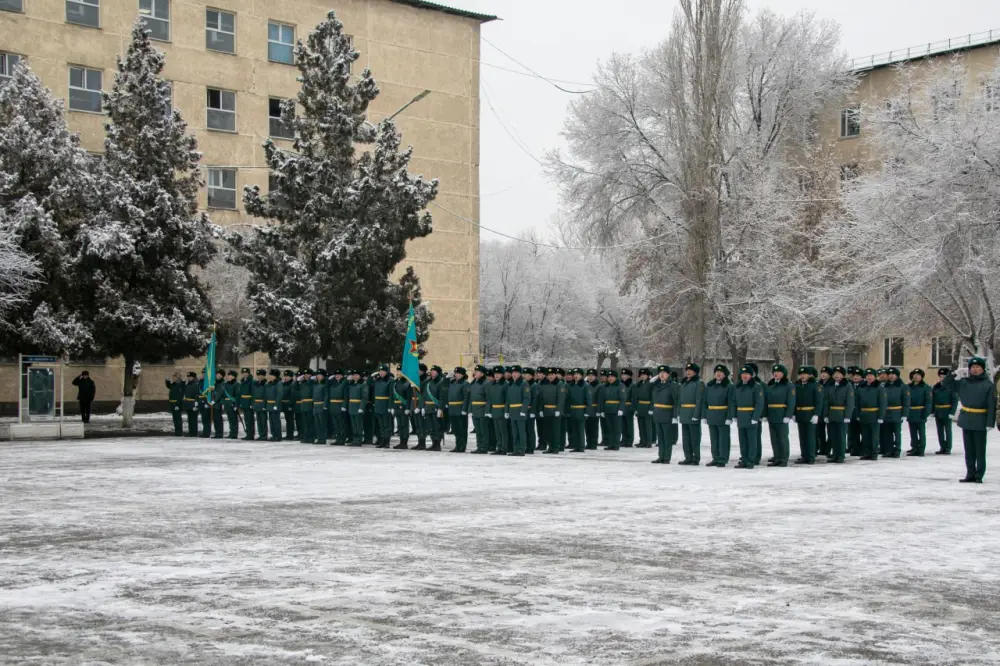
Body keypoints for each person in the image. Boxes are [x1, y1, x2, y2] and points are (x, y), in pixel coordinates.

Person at [943, 357, 997, 483]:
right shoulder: (963, 382)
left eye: (978, 367)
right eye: (973, 367)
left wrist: (990, 423)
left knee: (979, 450)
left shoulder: (988, 385)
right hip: (967, 419)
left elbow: (992, 405)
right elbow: (946, 384)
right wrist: (952, 373)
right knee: (969, 451)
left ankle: (979, 475)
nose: (975, 369)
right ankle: (970, 474)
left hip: (980, 420)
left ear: (983, 369)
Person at [733, 366, 764, 469]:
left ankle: (751, 460)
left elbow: (759, 403)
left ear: (751, 375)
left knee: (752, 440)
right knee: (743, 441)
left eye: (747, 374)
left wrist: (755, 417)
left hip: (751, 415)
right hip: (741, 416)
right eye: (743, 374)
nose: (744, 376)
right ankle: (744, 459)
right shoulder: (738, 386)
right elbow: (734, 402)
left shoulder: (756, 386)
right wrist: (734, 415)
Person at [703, 364, 735, 467]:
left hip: (723, 415)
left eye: (720, 372)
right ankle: (715, 457)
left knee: (723, 439)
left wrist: (729, 417)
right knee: (714, 438)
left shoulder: (729, 386)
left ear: (725, 374)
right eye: (716, 372)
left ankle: (723, 458)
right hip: (712, 415)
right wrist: (705, 415)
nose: (718, 374)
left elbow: (731, 402)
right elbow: (705, 402)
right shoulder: (710, 385)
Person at [764, 364, 795, 467]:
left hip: (782, 414)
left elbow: (791, 401)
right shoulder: (771, 385)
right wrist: (765, 414)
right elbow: (766, 400)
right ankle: (777, 457)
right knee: (774, 438)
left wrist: (788, 415)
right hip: (772, 415)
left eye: (778, 372)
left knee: (782, 438)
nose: (776, 374)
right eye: (774, 372)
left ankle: (784, 458)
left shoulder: (788, 385)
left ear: (783, 374)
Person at [823, 366, 854, 464]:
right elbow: (826, 401)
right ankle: (835, 454)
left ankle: (841, 455)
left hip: (841, 414)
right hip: (832, 414)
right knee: (833, 436)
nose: (836, 375)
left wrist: (847, 416)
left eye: (839, 373)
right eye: (835, 373)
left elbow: (850, 402)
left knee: (841, 436)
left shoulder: (847, 386)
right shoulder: (831, 386)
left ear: (843, 375)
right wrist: (826, 415)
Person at [794, 366, 823, 465]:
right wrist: (794, 413)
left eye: (805, 374)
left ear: (809, 375)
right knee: (802, 436)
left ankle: (810, 456)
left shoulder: (815, 385)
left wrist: (816, 414)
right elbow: (795, 400)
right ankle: (804, 455)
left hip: (810, 413)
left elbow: (819, 402)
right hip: (800, 413)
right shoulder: (797, 385)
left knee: (810, 436)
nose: (802, 376)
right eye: (801, 374)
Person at [651, 365, 680, 464]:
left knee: (667, 438)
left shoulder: (673, 386)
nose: (662, 375)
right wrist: (653, 380)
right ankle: (661, 456)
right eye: (660, 373)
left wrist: (675, 416)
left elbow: (676, 402)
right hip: (658, 413)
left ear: (669, 374)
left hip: (667, 414)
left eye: (664, 373)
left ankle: (666, 457)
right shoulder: (656, 385)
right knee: (660, 437)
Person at [856, 368, 887, 460]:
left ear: (875, 376)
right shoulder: (861, 387)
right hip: (864, 414)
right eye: (867, 375)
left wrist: (881, 416)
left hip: (874, 414)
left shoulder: (879, 387)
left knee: (874, 435)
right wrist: (858, 414)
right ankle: (866, 452)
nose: (869, 377)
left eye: (871, 375)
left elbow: (883, 403)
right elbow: (858, 402)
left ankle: (874, 452)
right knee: (865, 435)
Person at [678, 363, 705, 465]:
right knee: (686, 438)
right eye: (687, 370)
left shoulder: (699, 383)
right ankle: (688, 457)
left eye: (690, 370)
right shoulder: (684, 383)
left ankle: (696, 458)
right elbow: (680, 399)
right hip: (685, 413)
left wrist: (696, 414)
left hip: (693, 413)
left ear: (695, 372)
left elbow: (699, 400)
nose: (688, 372)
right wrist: (679, 412)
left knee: (695, 438)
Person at [905, 369, 933, 456]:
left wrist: (926, 412)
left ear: (921, 377)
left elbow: (928, 401)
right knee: (912, 431)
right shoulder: (908, 387)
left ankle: (921, 449)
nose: (916, 376)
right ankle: (914, 447)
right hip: (911, 411)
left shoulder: (926, 387)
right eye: (914, 374)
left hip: (920, 411)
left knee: (921, 432)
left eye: (918, 375)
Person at [504, 365, 530, 456]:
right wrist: (507, 411)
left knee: (521, 431)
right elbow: (508, 399)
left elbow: (526, 398)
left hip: (520, 411)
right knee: (514, 432)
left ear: (520, 374)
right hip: (512, 411)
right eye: (513, 373)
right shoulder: (511, 384)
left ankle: (521, 449)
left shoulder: (524, 384)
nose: (514, 374)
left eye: (516, 373)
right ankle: (516, 449)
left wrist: (523, 410)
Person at [932, 367, 958, 455]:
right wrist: (932, 411)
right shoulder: (936, 387)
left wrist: (952, 412)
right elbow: (933, 400)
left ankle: (948, 447)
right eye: (941, 376)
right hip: (938, 411)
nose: (942, 378)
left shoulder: (951, 387)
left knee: (947, 430)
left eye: (944, 376)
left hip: (947, 411)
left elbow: (954, 401)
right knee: (940, 430)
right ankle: (942, 446)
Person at [446, 367, 471, 452]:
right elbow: (444, 388)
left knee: (462, 429)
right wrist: (445, 378)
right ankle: (458, 445)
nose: (456, 375)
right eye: (455, 373)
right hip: (452, 409)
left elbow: (466, 397)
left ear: (463, 375)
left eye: (459, 374)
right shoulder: (452, 383)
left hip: (460, 409)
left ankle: (462, 446)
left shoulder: (465, 384)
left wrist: (464, 409)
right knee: (456, 429)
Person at [468, 365, 491, 454]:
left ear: (482, 374)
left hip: (482, 409)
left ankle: (484, 447)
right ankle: (479, 446)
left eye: (477, 372)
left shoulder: (486, 383)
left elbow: (488, 398)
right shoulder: (473, 383)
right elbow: (471, 398)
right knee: (478, 430)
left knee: (483, 430)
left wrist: (487, 411)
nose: (475, 373)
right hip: (475, 409)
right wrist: (470, 410)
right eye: (475, 371)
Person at [391, 366, 414, 450]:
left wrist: (408, 408)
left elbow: (409, 397)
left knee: (405, 425)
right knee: (400, 426)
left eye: (400, 371)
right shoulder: (395, 382)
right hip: (396, 406)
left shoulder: (407, 383)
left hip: (404, 407)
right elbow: (392, 396)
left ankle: (404, 442)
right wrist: (392, 407)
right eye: (397, 371)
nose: (398, 373)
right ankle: (401, 441)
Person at [488, 366, 509, 455]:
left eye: (498, 374)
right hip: (494, 409)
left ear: (502, 374)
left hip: (502, 409)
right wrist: (489, 410)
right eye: (495, 374)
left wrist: (506, 411)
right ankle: (499, 447)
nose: (496, 376)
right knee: (497, 431)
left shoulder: (505, 384)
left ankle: (504, 448)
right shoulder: (493, 385)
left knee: (503, 431)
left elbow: (508, 399)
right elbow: (490, 398)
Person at [633, 368, 653, 448]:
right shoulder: (638, 384)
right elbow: (635, 397)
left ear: (648, 376)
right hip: (640, 406)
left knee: (648, 426)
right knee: (641, 426)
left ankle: (648, 442)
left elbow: (653, 397)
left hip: (647, 406)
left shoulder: (651, 384)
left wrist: (651, 408)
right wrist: (636, 408)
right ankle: (642, 441)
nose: (642, 376)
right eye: (641, 375)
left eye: (644, 375)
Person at [848, 367, 865, 456]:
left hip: (862, 412)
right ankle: (855, 449)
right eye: (854, 375)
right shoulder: (849, 385)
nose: (855, 377)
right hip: (852, 413)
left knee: (864, 432)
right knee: (853, 432)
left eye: (858, 376)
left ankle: (863, 448)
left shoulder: (864, 385)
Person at [312, 368, 330, 445]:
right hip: (315, 405)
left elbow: (326, 395)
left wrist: (325, 405)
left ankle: (323, 438)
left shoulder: (325, 384)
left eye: (320, 375)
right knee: (317, 423)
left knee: (322, 423)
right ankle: (319, 437)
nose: (318, 376)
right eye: (317, 375)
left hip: (321, 405)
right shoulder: (315, 384)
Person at [584, 369, 600, 450]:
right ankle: (588, 442)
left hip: (594, 409)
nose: (590, 377)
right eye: (589, 376)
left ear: (595, 377)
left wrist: (599, 410)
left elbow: (600, 399)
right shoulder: (586, 385)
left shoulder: (599, 386)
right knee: (587, 427)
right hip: (587, 409)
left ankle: (593, 443)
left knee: (594, 427)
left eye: (592, 376)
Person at [297, 369, 315, 444]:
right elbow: (296, 388)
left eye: (308, 374)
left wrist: (310, 380)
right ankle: (306, 436)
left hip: (310, 404)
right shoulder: (302, 383)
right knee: (304, 422)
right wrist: (298, 380)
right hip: (303, 404)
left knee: (310, 422)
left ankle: (311, 437)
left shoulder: (312, 383)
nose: (306, 376)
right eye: (305, 374)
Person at [221, 370, 239, 439]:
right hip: (227, 404)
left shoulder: (236, 385)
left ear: (234, 377)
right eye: (228, 375)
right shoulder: (226, 384)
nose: (229, 377)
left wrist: (236, 405)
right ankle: (231, 433)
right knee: (230, 419)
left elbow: (237, 395)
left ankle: (234, 434)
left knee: (234, 419)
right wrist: (223, 403)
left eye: (230, 375)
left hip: (232, 403)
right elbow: (223, 395)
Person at [166, 372, 185, 436]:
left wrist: (178, 404)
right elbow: (169, 386)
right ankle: (176, 431)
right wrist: (167, 381)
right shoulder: (174, 384)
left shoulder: (181, 384)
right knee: (175, 418)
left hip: (177, 404)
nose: (173, 378)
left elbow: (180, 395)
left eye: (174, 377)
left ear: (178, 378)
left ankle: (179, 432)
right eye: (173, 377)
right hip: (172, 403)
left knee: (178, 419)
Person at [620, 368, 636, 447]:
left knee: (629, 425)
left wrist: (632, 407)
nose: (623, 376)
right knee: (622, 425)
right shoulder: (620, 384)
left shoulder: (632, 385)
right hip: (621, 406)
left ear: (629, 376)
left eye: (625, 375)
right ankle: (624, 440)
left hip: (629, 406)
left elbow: (633, 397)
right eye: (622, 375)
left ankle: (629, 441)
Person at [238, 368, 255, 441]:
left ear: (248, 373)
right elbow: (241, 393)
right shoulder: (243, 381)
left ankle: (251, 434)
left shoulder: (251, 382)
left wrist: (252, 403)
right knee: (246, 419)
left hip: (249, 403)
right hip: (244, 403)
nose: (245, 374)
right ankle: (248, 434)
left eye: (246, 373)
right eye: (243, 373)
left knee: (250, 419)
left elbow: (253, 393)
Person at [252, 368, 268, 441]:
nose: (259, 377)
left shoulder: (266, 384)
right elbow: (254, 394)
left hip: (262, 404)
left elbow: (266, 395)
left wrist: (264, 405)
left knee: (263, 420)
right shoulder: (256, 384)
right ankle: (261, 434)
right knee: (258, 420)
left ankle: (264, 435)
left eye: (261, 375)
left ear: (264, 376)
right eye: (258, 375)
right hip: (256, 404)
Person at [182, 371, 200, 437]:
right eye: (188, 377)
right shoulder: (188, 384)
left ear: (194, 377)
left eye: (190, 377)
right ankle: (191, 432)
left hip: (194, 403)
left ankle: (194, 433)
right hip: (188, 403)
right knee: (190, 419)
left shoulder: (197, 384)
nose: (189, 378)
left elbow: (198, 393)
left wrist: (197, 402)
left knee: (194, 419)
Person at [211, 368, 226, 439]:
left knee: (218, 419)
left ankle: (220, 433)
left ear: (222, 376)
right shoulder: (215, 383)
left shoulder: (223, 383)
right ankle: (217, 432)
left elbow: (220, 393)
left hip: (218, 403)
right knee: (215, 419)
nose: (217, 375)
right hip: (214, 403)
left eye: (219, 374)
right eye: (217, 374)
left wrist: (215, 400)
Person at [197, 368, 212, 438]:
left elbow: (209, 393)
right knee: (203, 418)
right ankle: (204, 432)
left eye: (205, 373)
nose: (203, 374)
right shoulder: (201, 381)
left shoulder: (209, 382)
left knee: (207, 418)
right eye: (203, 373)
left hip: (206, 402)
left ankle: (207, 433)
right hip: (201, 401)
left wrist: (207, 402)